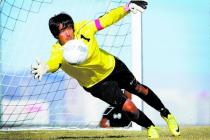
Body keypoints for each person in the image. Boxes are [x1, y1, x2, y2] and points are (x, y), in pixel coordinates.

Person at [31, 0, 180, 138]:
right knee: (128, 107)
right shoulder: (57, 51)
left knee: (138, 88)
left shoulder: (84, 28)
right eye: (62, 31)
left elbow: (106, 19)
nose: (68, 33)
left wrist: (127, 7)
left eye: (69, 27)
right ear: (56, 35)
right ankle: (150, 127)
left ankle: (166, 114)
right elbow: (53, 63)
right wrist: (45, 67)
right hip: (96, 85)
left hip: (112, 66)